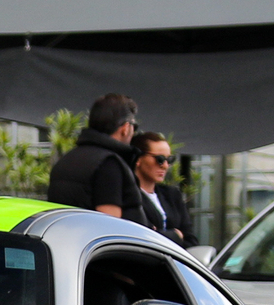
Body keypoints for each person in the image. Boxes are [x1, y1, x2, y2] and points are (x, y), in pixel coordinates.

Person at [46, 92, 151, 227]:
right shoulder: (109, 164)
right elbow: (110, 224)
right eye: (134, 127)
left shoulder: (66, 160)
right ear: (125, 128)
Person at [131, 129, 198, 247]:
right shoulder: (129, 195)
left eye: (170, 160)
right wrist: (175, 235)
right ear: (138, 159)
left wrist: (159, 233)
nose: (165, 166)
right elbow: (142, 238)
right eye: (159, 159)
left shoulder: (172, 195)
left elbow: (191, 240)